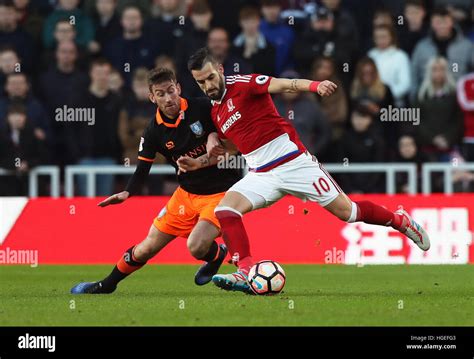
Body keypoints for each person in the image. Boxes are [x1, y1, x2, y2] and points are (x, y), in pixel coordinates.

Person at [184, 47, 431, 293]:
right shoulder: (216, 111)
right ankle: (246, 271)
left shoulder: (244, 83)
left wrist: (315, 86)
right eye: (200, 82)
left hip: (294, 163)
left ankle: (401, 221)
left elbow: (284, 84)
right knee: (226, 210)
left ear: (220, 69)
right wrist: (202, 161)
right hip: (261, 173)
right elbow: (234, 148)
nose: (207, 85)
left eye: (210, 78)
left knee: (349, 212)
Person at [70, 67, 241, 294]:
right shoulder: (153, 131)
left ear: (178, 88)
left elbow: (235, 137)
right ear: (152, 97)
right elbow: (143, 168)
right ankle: (107, 285)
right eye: (161, 94)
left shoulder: (203, 107)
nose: (168, 98)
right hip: (186, 195)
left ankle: (214, 255)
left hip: (221, 193)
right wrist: (127, 192)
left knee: (196, 246)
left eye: (171, 91)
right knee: (145, 248)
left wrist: (214, 136)